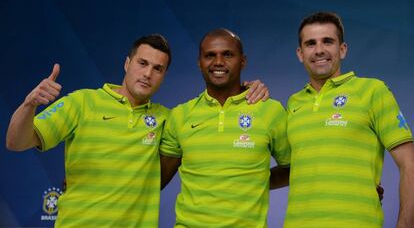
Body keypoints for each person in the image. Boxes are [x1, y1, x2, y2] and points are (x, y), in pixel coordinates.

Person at [6, 34, 268, 227]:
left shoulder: (169, 119)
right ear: (126, 63)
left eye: (158, 69)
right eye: (142, 63)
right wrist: (29, 105)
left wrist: (249, 90)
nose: (148, 74)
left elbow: (214, 134)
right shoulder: (82, 102)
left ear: (164, 75)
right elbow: (16, 143)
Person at [283, 12, 414, 227]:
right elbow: (294, 168)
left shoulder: (372, 91)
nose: (319, 50)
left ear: (342, 49)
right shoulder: (293, 103)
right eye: (310, 43)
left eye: (328, 41)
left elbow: (409, 162)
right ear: (300, 53)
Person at [160, 28, 291, 227]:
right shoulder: (180, 115)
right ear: (199, 63)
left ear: (243, 61)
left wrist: (255, 181)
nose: (218, 62)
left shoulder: (270, 111)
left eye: (227, 54)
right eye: (210, 55)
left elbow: (294, 168)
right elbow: (156, 180)